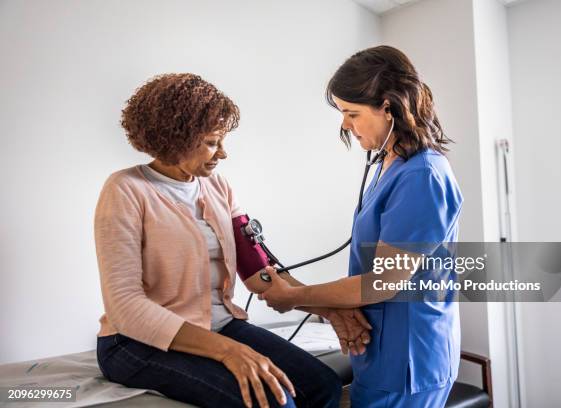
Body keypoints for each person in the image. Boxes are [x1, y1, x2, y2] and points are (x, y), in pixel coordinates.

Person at [94, 73, 365, 408]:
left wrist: (325, 308)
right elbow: (126, 308)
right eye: (212, 142)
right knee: (274, 402)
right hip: (136, 342)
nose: (222, 153)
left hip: (219, 326)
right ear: (173, 138)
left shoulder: (218, 187)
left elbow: (257, 271)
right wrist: (229, 352)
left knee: (321, 386)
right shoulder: (126, 190)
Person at [260, 46, 464, 407]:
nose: (345, 124)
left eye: (351, 113)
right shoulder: (390, 165)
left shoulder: (422, 175)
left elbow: (384, 281)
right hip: (383, 352)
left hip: (408, 360)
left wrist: (294, 297)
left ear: (389, 106)